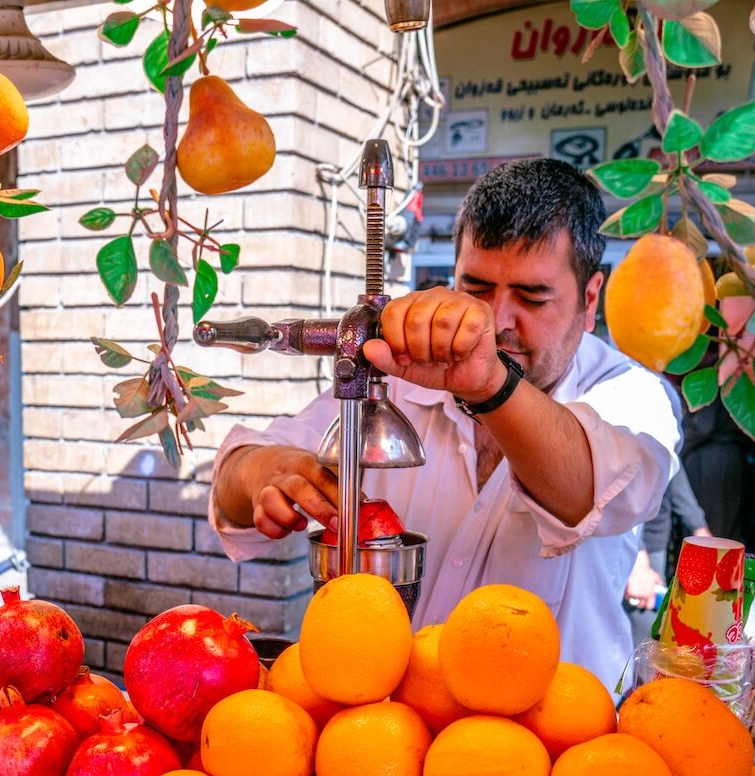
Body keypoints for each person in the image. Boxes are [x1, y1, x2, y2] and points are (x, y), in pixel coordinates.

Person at [209, 158, 683, 687]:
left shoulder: (630, 394)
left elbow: (585, 490)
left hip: (557, 745)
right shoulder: (401, 384)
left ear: (589, 299)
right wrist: (270, 471)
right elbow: (233, 482)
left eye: (531, 297)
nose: (498, 322)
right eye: (475, 289)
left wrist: (488, 385)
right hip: (380, 735)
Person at [625, 465, 711, 641]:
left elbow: (675, 473)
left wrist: (699, 528)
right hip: (630, 547)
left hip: (653, 547)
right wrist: (639, 561)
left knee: (646, 627)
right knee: (640, 630)